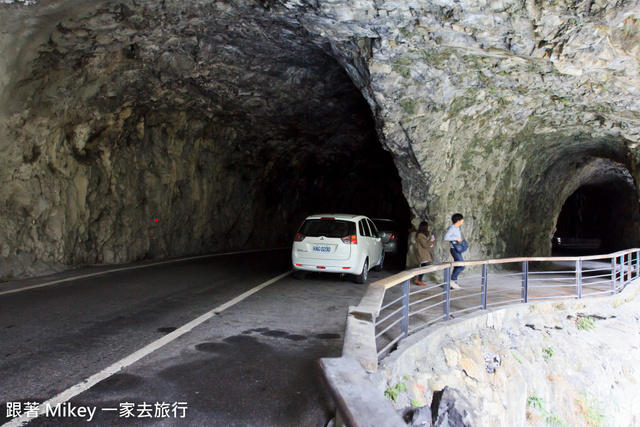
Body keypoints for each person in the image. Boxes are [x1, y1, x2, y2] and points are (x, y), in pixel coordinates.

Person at [407, 221, 435, 286]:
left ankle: (418, 279)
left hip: (423, 253)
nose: (429, 227)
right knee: (425, 266)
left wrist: (430, 241)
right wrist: (431, 240)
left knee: (423, 266)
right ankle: (418, 279)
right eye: (428, 226)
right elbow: (424, 245)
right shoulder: (421, 235)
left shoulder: (421, 235)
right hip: (423, 254)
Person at [443, 213, 465, 289]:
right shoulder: (453, 228)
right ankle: (452, 281)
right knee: (461, 266)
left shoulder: (456, 227)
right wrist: (456, 239)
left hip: (456, 249)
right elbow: (446, 237)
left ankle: (453, 282)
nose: (463, 221)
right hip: (454, 249)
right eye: (462, 219)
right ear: (458, 221)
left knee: (458, 265)